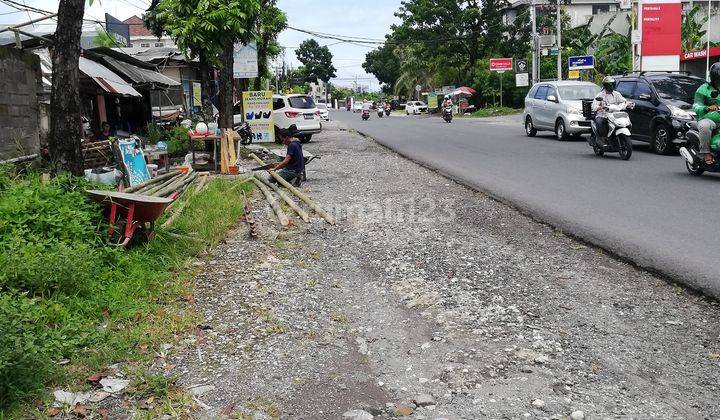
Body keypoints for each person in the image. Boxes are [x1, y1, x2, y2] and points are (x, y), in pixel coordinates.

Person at [693, 62, 720, 165]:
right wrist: (706, 108)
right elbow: (696, 105)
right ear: (713, 77)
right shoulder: (704, 89)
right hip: (708, 119)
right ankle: (706, 153)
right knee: (705, 126)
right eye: (718, 78)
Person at [593, 76, 627, 145]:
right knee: (599, 121)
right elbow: (594, 106)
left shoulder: (617, 94)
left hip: (615, 115)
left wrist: (628, 104)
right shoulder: (600, 95)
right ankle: (603, 138)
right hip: (603, 115)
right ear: (605, 85)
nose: (611, 86)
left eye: (612, 84)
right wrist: (600, 107)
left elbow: (624, 101)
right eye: (609, 85)